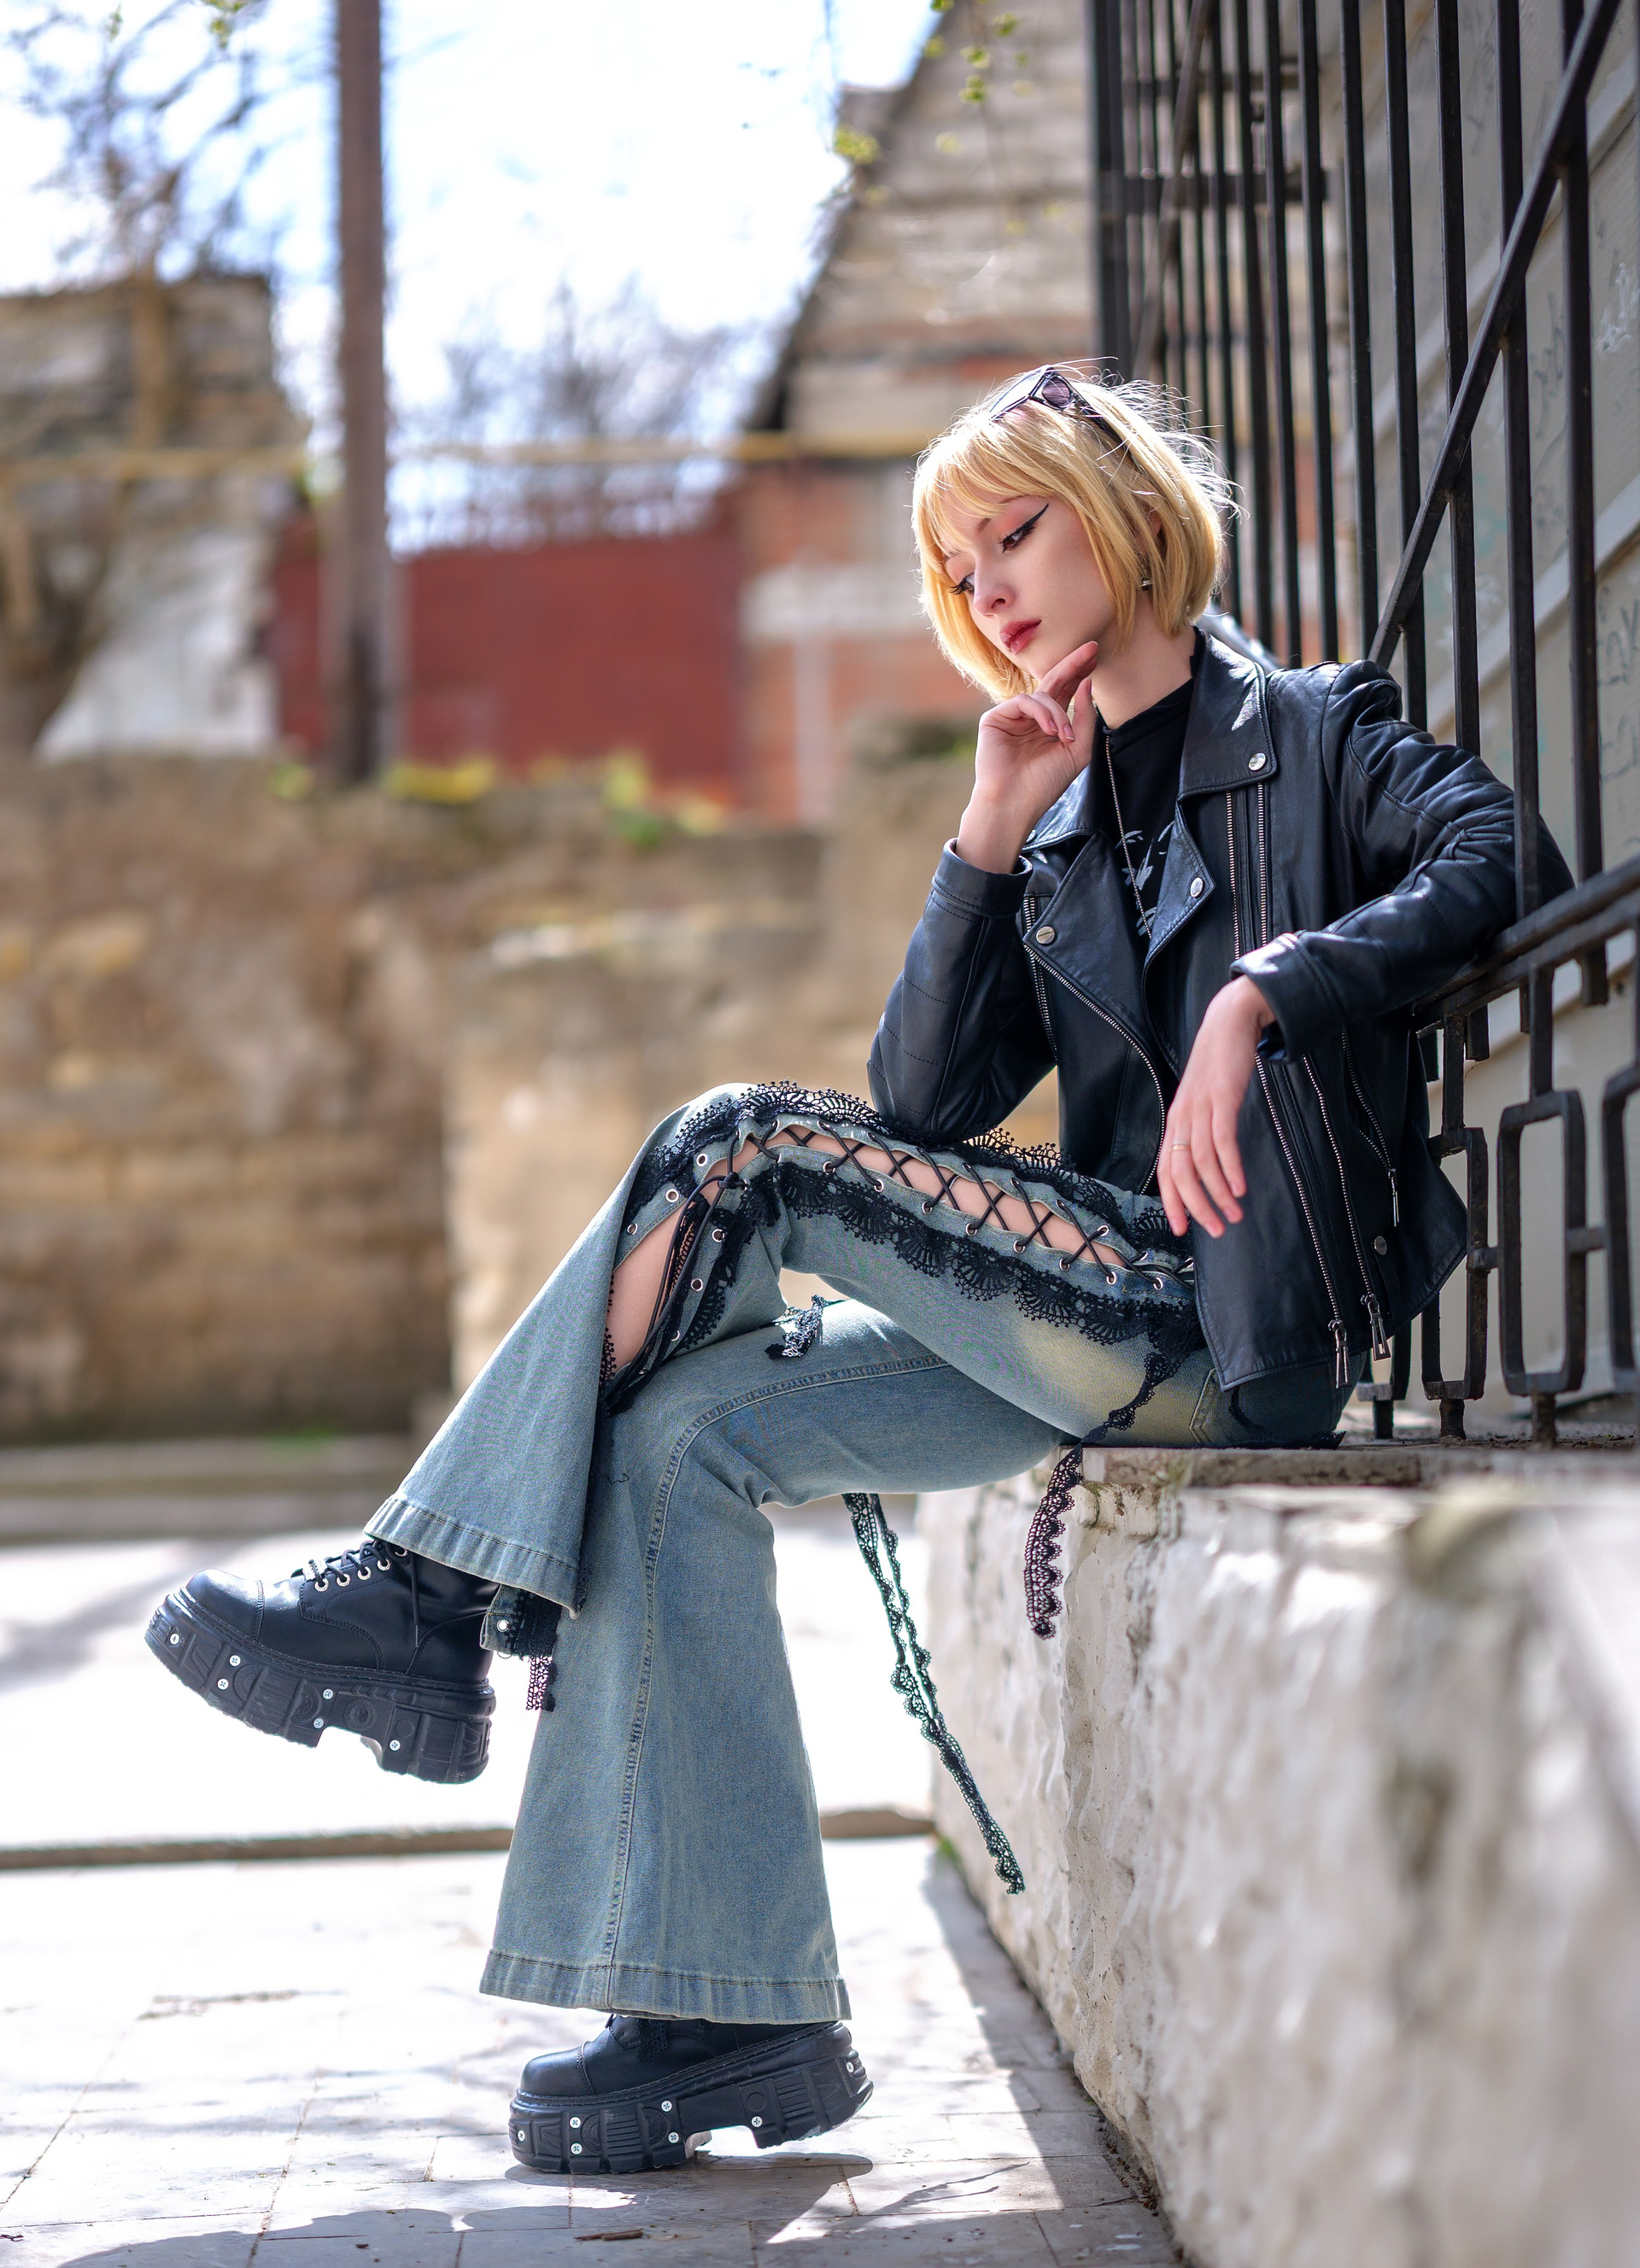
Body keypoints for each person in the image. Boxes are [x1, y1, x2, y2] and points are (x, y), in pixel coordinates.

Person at [147, 364, 1567, 2176]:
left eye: (1014, 534)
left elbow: (1503, 853)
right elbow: (924, 1105)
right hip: (1084, 1314)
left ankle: (429, 1597)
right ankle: (726, 2004)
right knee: (676, 1441)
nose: (991, 590)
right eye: (960, 571)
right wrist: (989, 832)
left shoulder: (1312, 731)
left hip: (1224, 1316)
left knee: (740, 1140)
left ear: (1122, 510)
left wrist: (1263, 992)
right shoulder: (1061, 818)